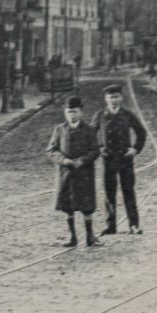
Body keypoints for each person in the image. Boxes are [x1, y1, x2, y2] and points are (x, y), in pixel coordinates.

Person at [92, 83, 149, 235]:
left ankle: (134, 225)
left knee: (128, 191)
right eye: (111, 97)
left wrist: (135, 149)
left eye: (116, 97)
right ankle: (110, 226)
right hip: (108, 159)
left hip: (125, 160)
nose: (113, 100)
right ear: (106, 99)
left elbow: (141, 132)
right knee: (109, 193)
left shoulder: (128, 115)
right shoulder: (100, 115)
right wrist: (99, 148)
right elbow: (91, 134)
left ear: (121, 98)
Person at [46, 96, 103, 248]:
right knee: (68, 207)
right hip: (66, 174)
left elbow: (95, 150)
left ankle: (90, 236)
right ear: (65, 113)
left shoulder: (89, 130)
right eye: (69, 112)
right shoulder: (59, 129)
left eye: (75, 112)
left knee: (87, 207)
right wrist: (64, 160)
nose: (72, 115)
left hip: (84, 174)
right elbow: (51, 150)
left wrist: (82, 160)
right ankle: (72, 237)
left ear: (81, 112)